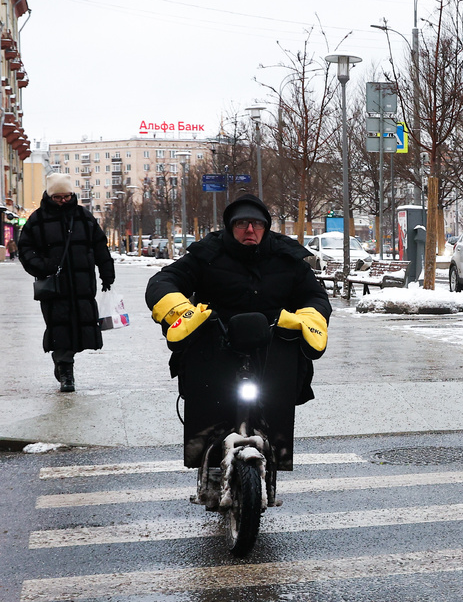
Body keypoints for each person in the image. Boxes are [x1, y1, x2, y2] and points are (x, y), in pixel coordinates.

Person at [145, 194, 331, 470]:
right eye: (242, 223)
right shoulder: (207, 253)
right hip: (216, 344)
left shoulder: (287, 256)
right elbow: (164, 281)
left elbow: (315, 295)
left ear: (266, 227)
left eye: (257, 224)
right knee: (208, 409)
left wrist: (308, 317)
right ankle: (208, 459)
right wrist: (180, 310)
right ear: (230, 226)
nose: (250, 230)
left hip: (271, 346)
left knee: (275, 410)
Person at [17, 172, 114, 392]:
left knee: (80, 327)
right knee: (60, 326)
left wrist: (107, 273)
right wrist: (43, 266)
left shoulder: (83, 217)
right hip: (54, 286)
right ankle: (65, 370)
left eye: (67, 196)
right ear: (50, 196)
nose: (63, 201)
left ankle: (63, 362)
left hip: (82, 284)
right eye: (58, 197)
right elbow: (25, 249)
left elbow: (100, 246)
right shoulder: (37, 219)